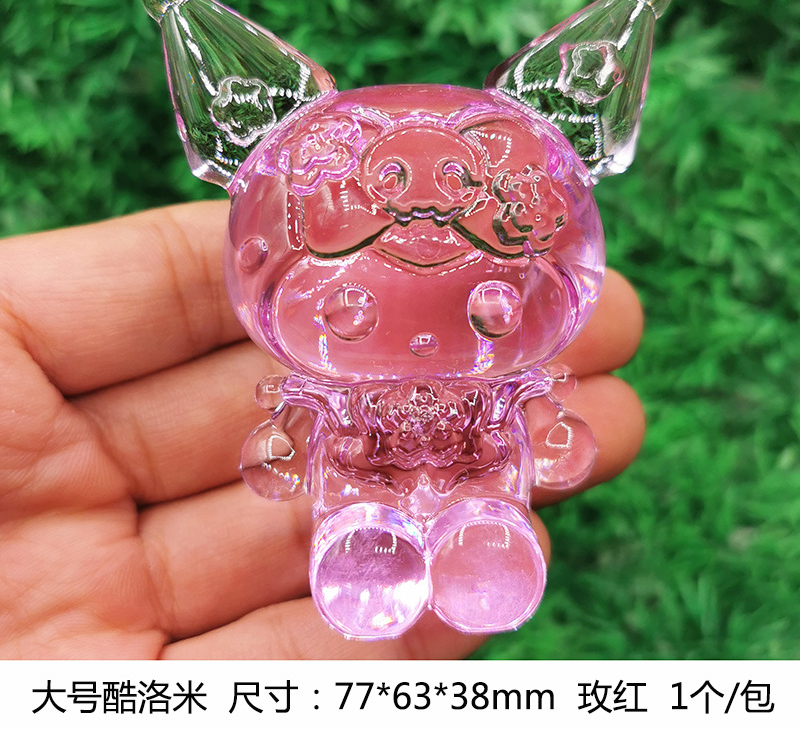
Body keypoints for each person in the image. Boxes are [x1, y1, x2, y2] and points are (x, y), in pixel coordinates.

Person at [0, 200, 644, 660]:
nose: (421, 339)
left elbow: (546, 422)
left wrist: (546, 421)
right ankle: (365, 543)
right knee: (358, 504)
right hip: (362, 458)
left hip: (478, 449)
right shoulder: (323, 384)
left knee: (486, 495)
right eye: (357, 308)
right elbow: (286, 439)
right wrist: (283, 441)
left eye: (486, 306)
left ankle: (482, 537)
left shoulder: (505, 381)